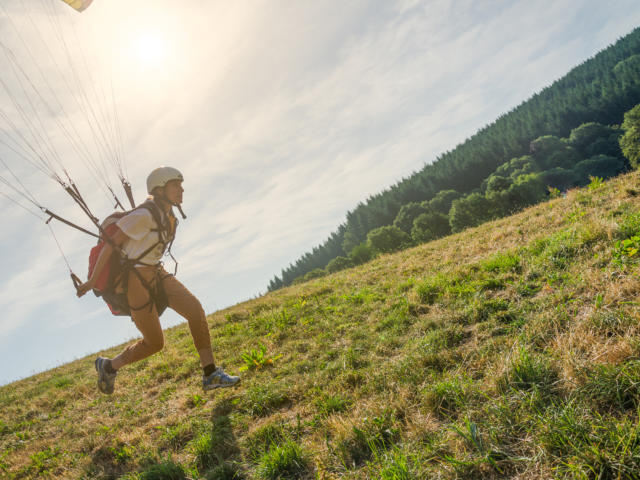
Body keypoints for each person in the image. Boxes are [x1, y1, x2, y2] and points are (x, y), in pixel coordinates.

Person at [76, 166, 240, 394]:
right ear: (160, 190)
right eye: (176, 186)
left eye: (181, 185)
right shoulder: (143, 215)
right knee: (155, 343)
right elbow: (111, 246)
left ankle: (211, 374)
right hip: (135, 282)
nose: (181, 190)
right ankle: (109, 366)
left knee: (195, 310)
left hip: (158, 274)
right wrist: (92, 281)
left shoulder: (169, 216)